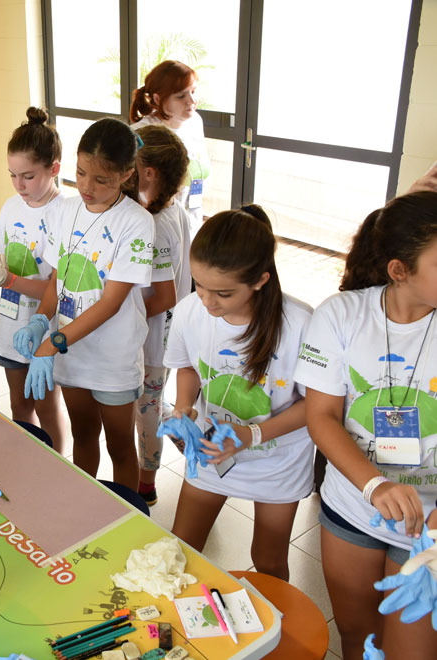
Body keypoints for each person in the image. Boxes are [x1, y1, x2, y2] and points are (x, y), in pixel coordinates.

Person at [295, 191, 437, 659]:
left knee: (409, 652)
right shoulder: (342, 315)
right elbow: (321, 415)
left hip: (430, 527)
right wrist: (374, 484)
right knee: (357, 637)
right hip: (353, 507)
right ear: (399, 271)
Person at [165, 207, 313, 580]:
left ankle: (274, 633)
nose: (207, 301)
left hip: (278, 457)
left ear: (261, 280)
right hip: (214, 451)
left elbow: (318, 406)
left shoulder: (299, 324)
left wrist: (252, 435)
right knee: (180, 548)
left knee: (268, 561)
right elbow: (186, 366)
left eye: (224, 293)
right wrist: (185, 410)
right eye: (198, 284)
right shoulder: (189, 312)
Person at [15, 118, 154, 484]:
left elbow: (110, 303)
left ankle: (129, 512)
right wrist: (41, 320)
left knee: (120, 446)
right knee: (84, 434)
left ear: (126, 175)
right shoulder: (63, 210)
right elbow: (57, 280)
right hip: (70, 352)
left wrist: (55, 342)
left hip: (112, 355)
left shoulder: (136, 223)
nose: (87, 187)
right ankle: (82, 505)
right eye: (81, 174)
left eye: (101, 179)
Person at [0, 107, 69, 451]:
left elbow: (55, 289)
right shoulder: (12, 207)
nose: (18, 184)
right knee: (19, 404)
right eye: (12, 175)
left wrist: (8, 279)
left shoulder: (65, 213)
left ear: (54, 169)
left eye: (27, 176)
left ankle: (58, 470)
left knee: (46, 406)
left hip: (45, 325)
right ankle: (30, 464)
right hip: (11, 324)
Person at [133, 124, 193, 505]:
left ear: (148, 172)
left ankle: (146, 482)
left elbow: (165, 295)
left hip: (154, 338)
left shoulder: (154, 224)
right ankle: (184, 432)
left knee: (147, 409)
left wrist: (125, 320)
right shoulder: (175, 210)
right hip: (169, 336)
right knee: (152, 401)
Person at [130, 60, 211, 231]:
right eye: (181, 96)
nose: (191, 101)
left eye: (193, 92)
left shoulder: (195, 122)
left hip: (191, 221)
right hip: (156, 226)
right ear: (158, 99)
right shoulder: (142, 131)